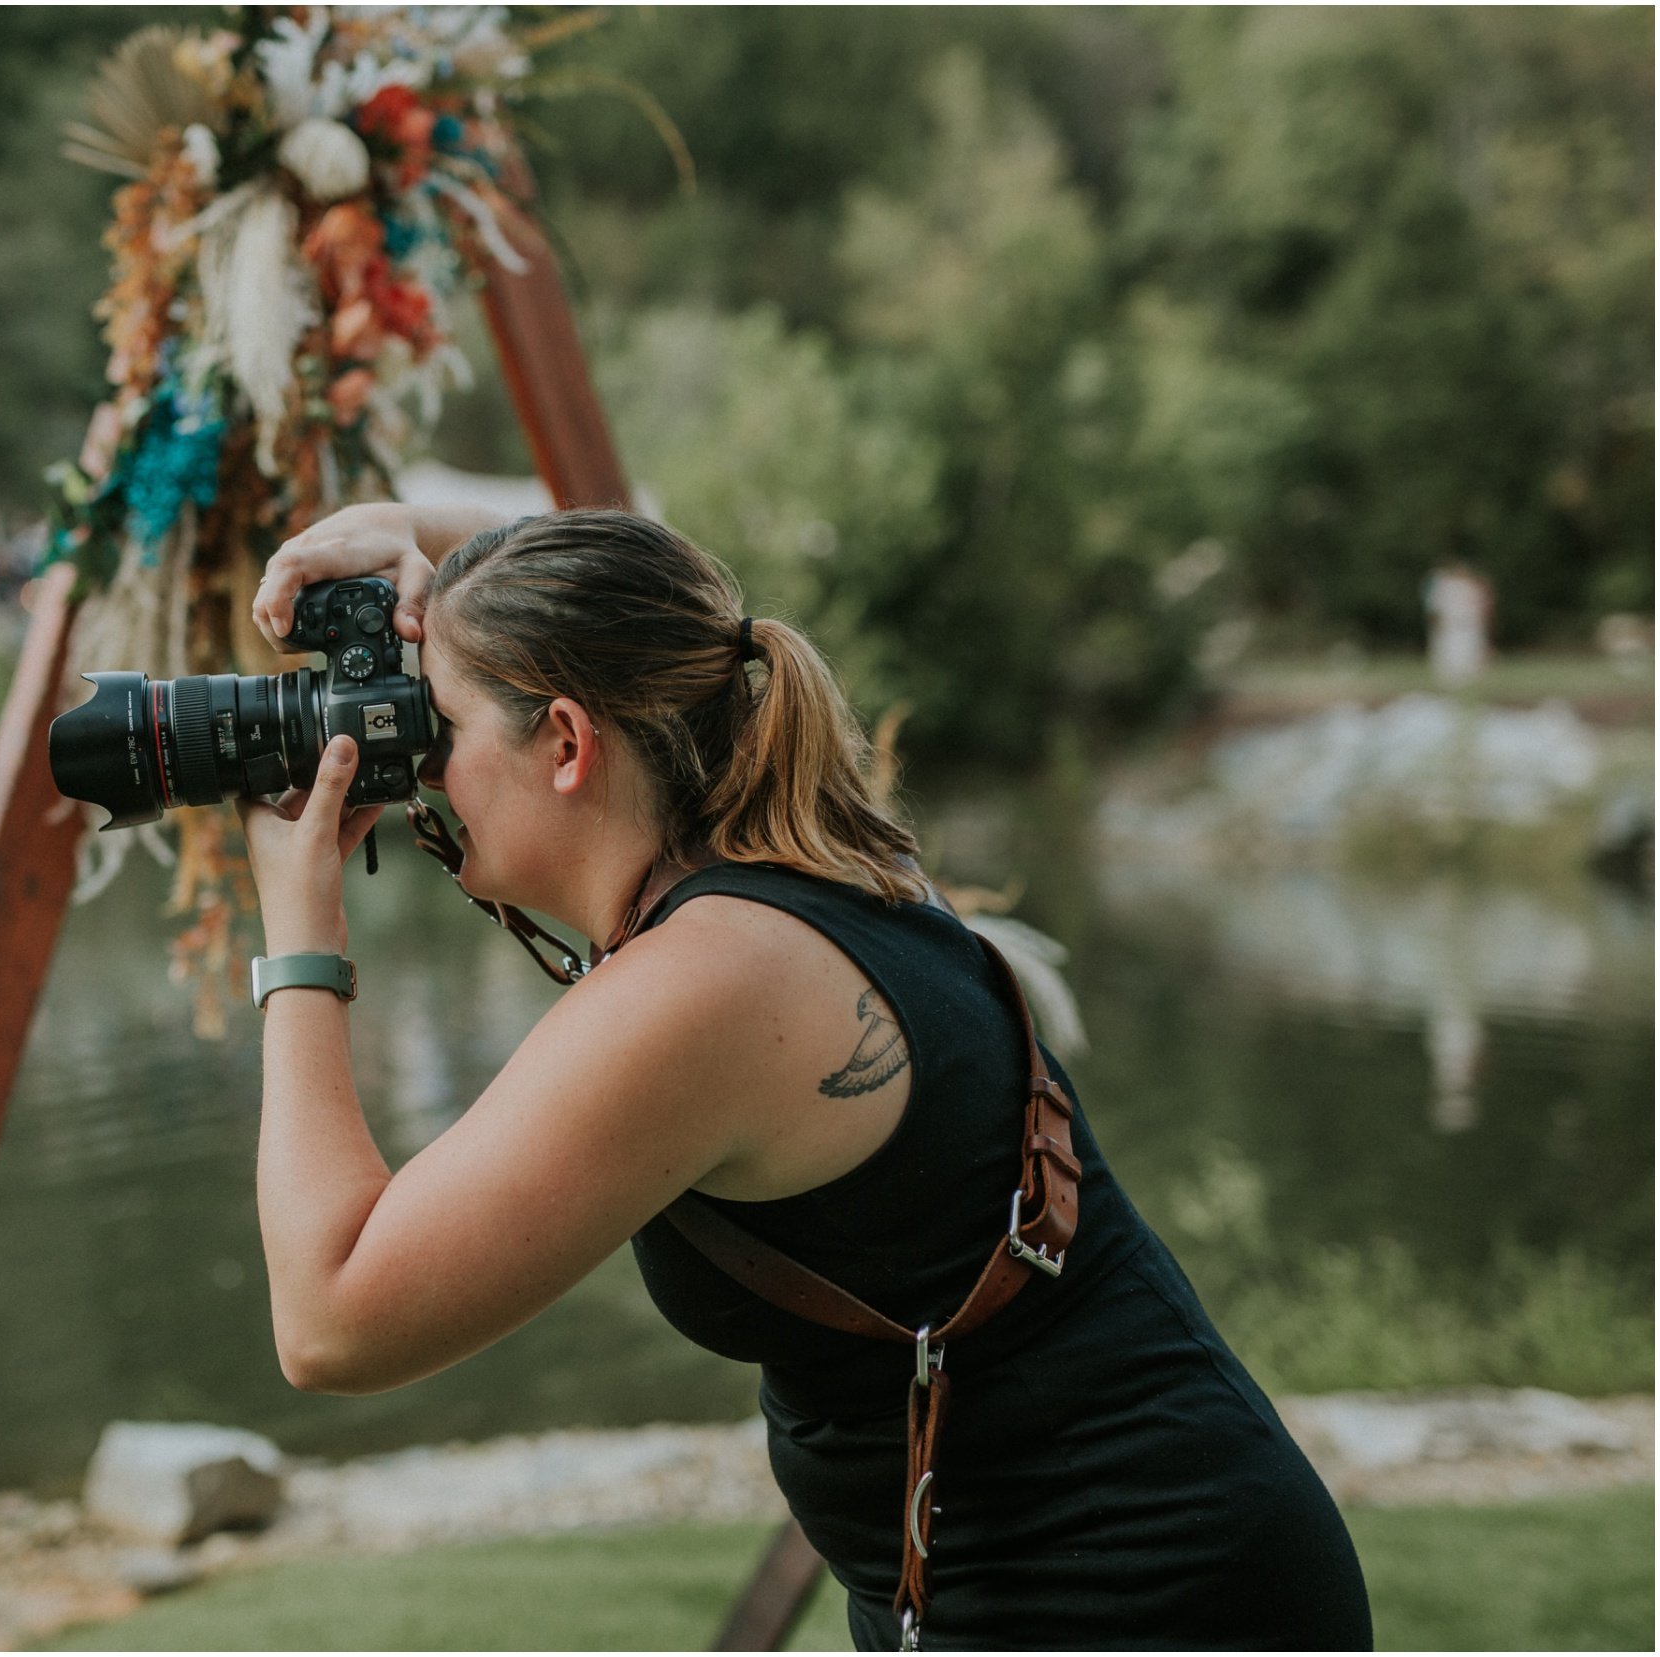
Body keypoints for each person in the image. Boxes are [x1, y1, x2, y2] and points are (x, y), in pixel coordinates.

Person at [235, 502, 1371, 1650]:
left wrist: (299, 938)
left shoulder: (705, 983)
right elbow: (659, 590)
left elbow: (332, 1323)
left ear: (568, 744)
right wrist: (413, 530)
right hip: (1089, 1564)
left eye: (433, 728)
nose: (413, 767)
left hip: (1126, 1592)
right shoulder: (823, 857)